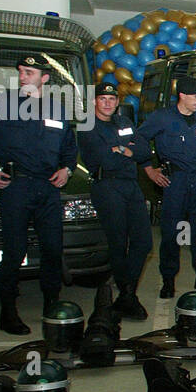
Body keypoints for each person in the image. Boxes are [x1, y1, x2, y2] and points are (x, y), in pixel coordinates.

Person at [0, 53, 78, 334]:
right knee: (14, 252)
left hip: (47, 188)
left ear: (44, 78)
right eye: (21, 72)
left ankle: (51, 307)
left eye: (29, 72)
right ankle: (8, 313)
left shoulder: (57, 109)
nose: (23, 76)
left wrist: (66, 168)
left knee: (53, 251)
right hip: (16, 187)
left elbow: (69, 146)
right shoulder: (2, 104)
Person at [137, 76, 196, 298]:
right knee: (172, 234)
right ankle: (168, 280)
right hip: (174, 183)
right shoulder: (162, 118)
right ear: (182, 95)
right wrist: (149, 169)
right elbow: (140, 138)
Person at [77, 83, 152, 319]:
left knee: (143, 242)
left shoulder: (125, 123)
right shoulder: (87, 125)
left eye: (112, 98)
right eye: (102, 98)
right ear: (94, 102)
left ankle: (126, 295)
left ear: (117, 102)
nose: (108, 103)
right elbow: (104, 160)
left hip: (131, 186)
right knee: (118, 243)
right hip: (107, 186)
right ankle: (128, 295)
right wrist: (127, 151)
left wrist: (123, 150)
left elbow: (144, 151)